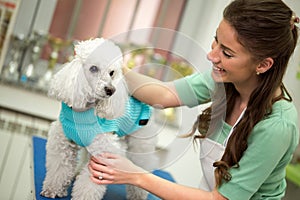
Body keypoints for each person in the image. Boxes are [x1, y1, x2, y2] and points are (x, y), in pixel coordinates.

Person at [88, 0, 300, 199]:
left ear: (263, 65)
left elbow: (220, 199)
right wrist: (115, 67)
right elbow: (163, 94)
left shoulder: (277, 126)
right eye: (216, 40)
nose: (212, 55)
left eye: (226, 53)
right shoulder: (223, 80)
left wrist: (136, 175)